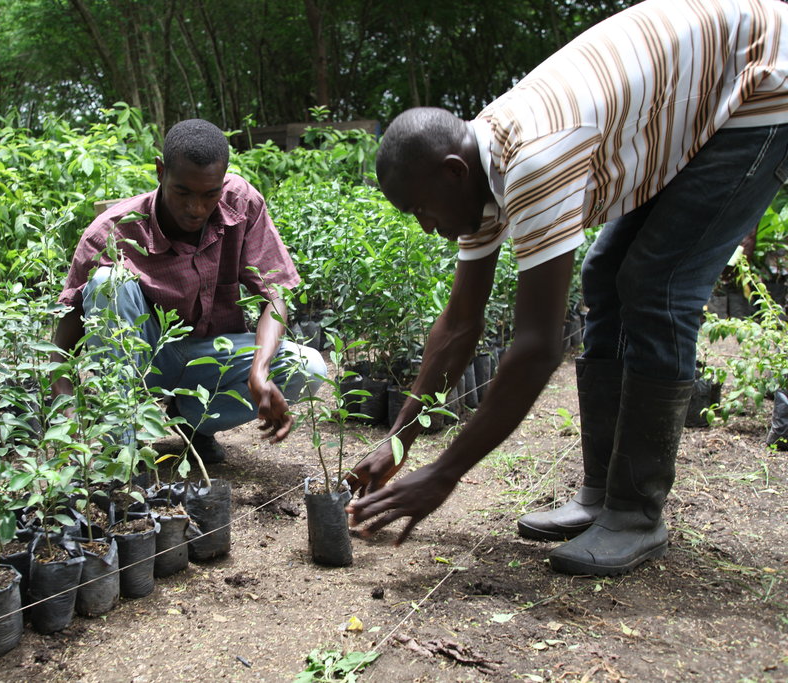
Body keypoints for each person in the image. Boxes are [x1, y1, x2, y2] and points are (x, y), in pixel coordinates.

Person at [346, 0, 788, 576]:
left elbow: (538, 347)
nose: (428, 227)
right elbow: (460, 324)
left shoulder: (533, 156)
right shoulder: (478, 170)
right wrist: (398, 443)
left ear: (454, 171)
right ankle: (604, 496)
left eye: (423, 209)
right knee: (605, 275)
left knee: (657, 284)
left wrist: (444, 473)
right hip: (696, 89)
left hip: (761, 81)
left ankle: (635, 513)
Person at [51, 118, 326, 462]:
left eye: (209, 195)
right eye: (183, 192)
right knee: (109, 282)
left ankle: (194, 422)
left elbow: (274, 294)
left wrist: (259, 371)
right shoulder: (112, 233)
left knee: (309, 367)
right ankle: (119, 448)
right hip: (144, 361)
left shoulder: (242, 204)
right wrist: (68, 414)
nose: (196, 209)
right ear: (160, 172)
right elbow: (60, 346)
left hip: (212, 356)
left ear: (223, 179)